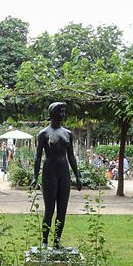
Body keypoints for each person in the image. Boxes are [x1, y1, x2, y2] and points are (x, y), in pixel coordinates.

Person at [30, 102, 82, 248]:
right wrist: (35, 177)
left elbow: (71, 156)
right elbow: (38, 157)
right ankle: (45, 241)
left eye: (64, 111)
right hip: (49, 173)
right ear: (53, 112)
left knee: (62, 211)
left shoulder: (68, 134)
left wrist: (77, 176)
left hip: (64, 173)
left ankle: (57, 242)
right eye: (61, 111)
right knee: (49, 210)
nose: (63, 114)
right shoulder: (43, 133)